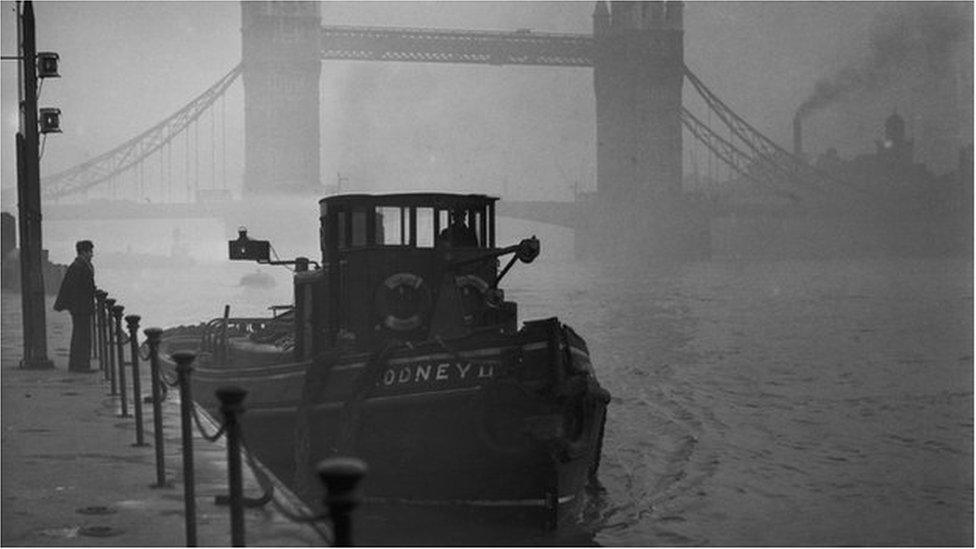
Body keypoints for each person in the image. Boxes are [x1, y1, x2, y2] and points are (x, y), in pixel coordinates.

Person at [54, 240, 96, 372]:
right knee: (81, 336)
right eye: (90, 251)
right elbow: (75, 288)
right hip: (81, 307)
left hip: (80, 306)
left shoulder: (80, 265)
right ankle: (81, 365)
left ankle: (79, 364)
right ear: (84, 252)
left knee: (80, 335)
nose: (92, 254)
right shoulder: (79, 266)